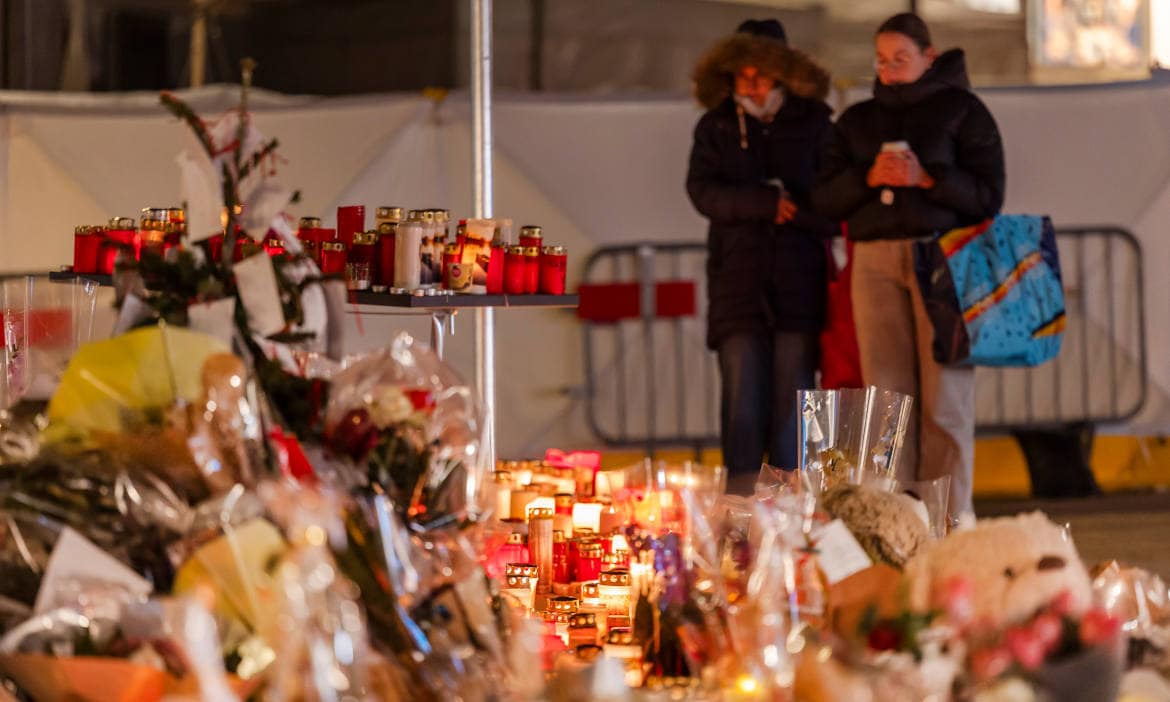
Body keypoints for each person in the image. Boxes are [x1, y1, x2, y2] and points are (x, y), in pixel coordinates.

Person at [813, 13, 1005, 516]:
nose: (890, 69)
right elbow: (825, 198)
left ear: (929, 57)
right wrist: (867, 177)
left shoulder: (963, 111)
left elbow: (989, 195)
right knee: (887, 399)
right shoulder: (854, 121)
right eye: (882, 59)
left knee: (946, 397)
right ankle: (896, 516)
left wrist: (928, 180)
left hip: (941, 260)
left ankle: (950, 518)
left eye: (902, 58)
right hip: (874, 261)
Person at [686, 19, 836, 477]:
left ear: (783, 74)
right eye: (741, 73)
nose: (750, 83)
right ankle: (740, 507)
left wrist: (796, 212)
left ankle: (792, 511)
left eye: (761, 73)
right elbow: (702, 192)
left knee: (795, 397)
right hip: (738, 285)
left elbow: (836, 199)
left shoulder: (816, 123)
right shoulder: (714, 127)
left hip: (800, 284)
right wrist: (764, 203)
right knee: (741, 399)